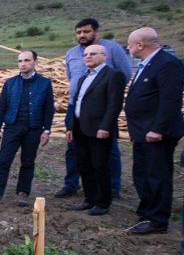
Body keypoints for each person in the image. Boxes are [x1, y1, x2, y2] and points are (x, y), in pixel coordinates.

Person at [56, 18, 131, 199]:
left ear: (96, 32)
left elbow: (125, 74)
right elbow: (72, 78)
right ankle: (71, 184)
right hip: (75, 106)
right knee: (74, 147)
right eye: (78, 32)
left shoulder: (112, 49)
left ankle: (111, 187)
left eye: (86, 31)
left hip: (101, 110)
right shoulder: (71, 53)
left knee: (107, 149)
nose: (82, 35)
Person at [122, 27, 184, 234]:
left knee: (157, 175)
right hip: (142, 132)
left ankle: (157, 220)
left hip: (156, 134)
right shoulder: (148, 64)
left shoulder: (167, 64)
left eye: (130, 45)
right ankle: (147, 212)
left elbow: (170, 100)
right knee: (142, 173)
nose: (128, 48)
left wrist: (158, 129)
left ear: (140, 45)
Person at [0, 50, 55, 207]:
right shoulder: (10, 83)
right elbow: (1, 107)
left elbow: (49, 108)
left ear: (35, 62)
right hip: (12, 127)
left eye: (27, 60)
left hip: (34, 129)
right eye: (20, 61)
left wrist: (47, 130)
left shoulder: (45, 83)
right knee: (4, 160)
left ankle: (23, 193)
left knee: (28, 162)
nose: (23, 64)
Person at [67, 44, 125, 215]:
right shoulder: (83, 78)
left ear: (104, 56)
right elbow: (77, 103)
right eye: (85, 54)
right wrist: (71, 126)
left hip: (99, 129)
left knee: (100, 166)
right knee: (84, 165)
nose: (88, 57)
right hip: (80, 128)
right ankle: (89, 198)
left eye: (93, 54)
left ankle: (103, 202)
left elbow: (114, 105)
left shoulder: (113, 75)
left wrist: (105, 126)